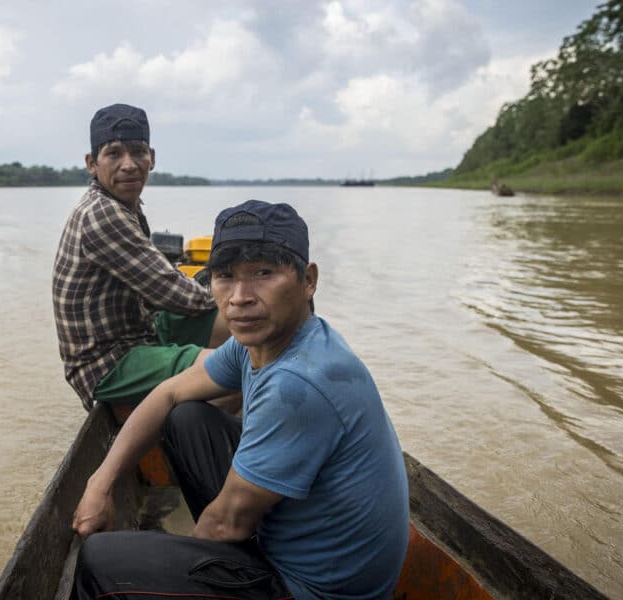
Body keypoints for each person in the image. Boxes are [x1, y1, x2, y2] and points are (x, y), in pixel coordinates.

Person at [70, 200, 410, 600]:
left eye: (264, 273)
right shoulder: (263, 341)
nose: (239, 297)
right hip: (282, 546)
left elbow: (224, 525)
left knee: (99, 561)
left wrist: (173, 570)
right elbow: (168, 392)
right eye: (225, 276)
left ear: (309, 280)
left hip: (308, 589)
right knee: (186, 417)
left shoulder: (297, 385)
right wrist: (100, 482)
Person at [52, 103, 228, 417]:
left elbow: (161, 289)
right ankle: (185, 431)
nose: (129, 165)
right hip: (106, 363)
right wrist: (228, 297)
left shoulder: (122, 203)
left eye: (137, 152)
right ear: (92, 164)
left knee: (238, 323)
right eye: (114, 154)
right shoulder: (102, 213)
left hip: (137, 333)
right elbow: (173, 292)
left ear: (152, 158)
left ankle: (187, 410)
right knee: (236, 365)